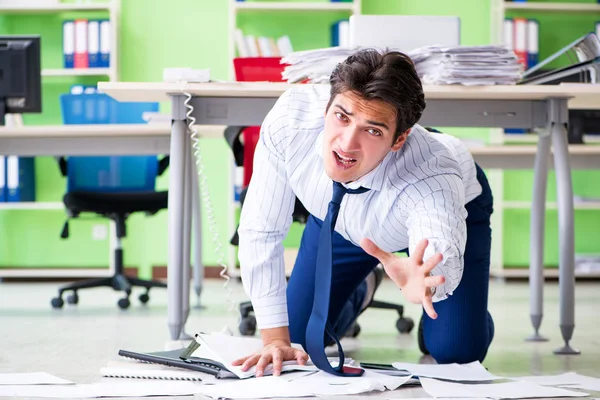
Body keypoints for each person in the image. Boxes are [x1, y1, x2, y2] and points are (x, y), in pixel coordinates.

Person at [232, 48, 494, 377]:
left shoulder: (433, 175)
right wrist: (273, 340)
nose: (346, 144)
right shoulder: (291, 121)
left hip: (449, 210)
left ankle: (466, 310)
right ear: (327, 106)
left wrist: (424, 285)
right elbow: (261, 229)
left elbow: (440, 252)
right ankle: (365, 284)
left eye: (372, 130)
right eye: (342, 117)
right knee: (294, 338)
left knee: (456, 350)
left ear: (399, 139)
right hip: (340, 219)